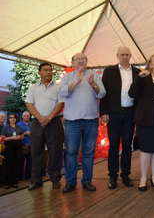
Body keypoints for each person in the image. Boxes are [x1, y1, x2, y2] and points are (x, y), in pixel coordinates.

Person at [59, 52, 106, 193]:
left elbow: (102, 93)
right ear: (72, 62)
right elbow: (63, 92)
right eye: (77, 59)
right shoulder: (67, 77)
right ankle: (70, 182)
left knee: (88, 153)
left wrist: (92, 84)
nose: (80, 61)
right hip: (72, 121)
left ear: (87, 62)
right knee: (71, 152)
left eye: (83, 59)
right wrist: (77, 81)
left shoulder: (95, 76)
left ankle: (87, 181)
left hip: (91, 119)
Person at [100, 46, 140, 189]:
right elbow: (103, 93)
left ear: (130, 56)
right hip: (114, 113)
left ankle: (126, 175)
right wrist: (103, 112)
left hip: (130, 113)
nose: (124, 57)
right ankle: (112, 176)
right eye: (121, 54)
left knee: (128, 145)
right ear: (117, 55)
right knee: (114, 145)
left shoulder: (137, 72)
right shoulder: (109, 71)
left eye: (126, 54)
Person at [128, 54, 154, 191]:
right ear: (150, 64)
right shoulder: (144, 79)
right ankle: (143, 178)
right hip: (146, 119)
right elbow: (132, 93)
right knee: (146, 150)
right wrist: (138, 78)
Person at [26, 63, 64, 190]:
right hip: (37, 122)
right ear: (39, 73)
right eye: (45, 70)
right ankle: (37, 179)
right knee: (36, 151)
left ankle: (55, 179)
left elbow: (61, 103)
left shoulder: (58, 87)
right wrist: (41, 118)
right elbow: (29, 105)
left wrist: (49, 118)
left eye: (50, 70)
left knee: (55, 151)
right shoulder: (33, 88)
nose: (49, 72)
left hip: (54, 122)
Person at [1, 113, 24, 189]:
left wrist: (20, 137)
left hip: (18, 146)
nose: (12, 119)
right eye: (11, 118)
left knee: (16, 163)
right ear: (9, 119)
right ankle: (7, 182)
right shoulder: (5, 128)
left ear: (16, 119)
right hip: (9, 146)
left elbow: (22, 136)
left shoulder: (19, 127)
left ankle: (14, 181)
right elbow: (3, 138)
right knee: (9, 164)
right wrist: (12, 138)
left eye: (14, 118)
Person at [17, 111, 32, 181]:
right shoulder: (18, 125)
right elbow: (16, 134)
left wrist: (31, 133)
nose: (26, 117)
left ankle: (28, 176)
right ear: (22, 116)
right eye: (25, 116)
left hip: (31, 145)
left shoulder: (32, 124)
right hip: (22, 145)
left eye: (27, 116)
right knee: (21, 162)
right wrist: (24, 133)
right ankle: (20, 177)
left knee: (30, 162)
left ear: (29, 117)